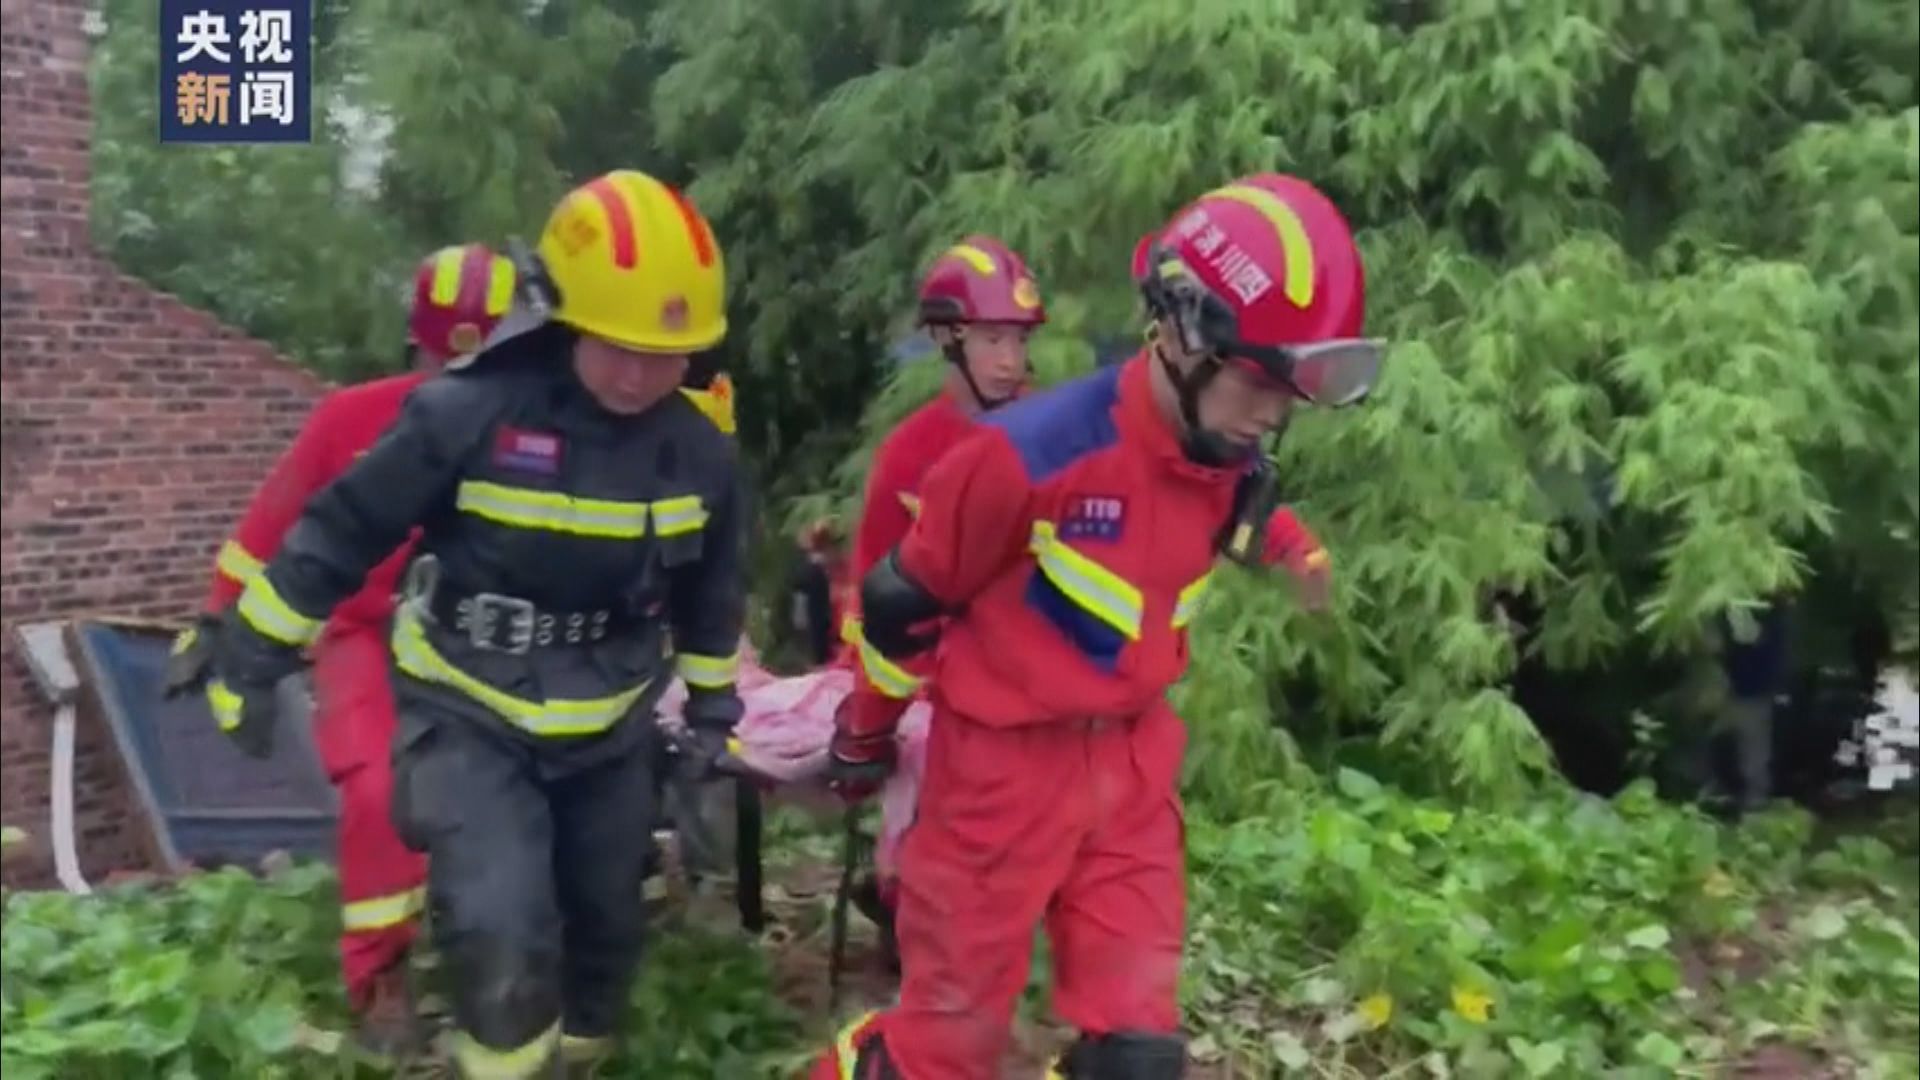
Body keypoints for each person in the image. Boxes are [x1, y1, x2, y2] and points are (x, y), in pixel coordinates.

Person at [813, 173, 1383, 1079]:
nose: (1273, 413)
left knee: (1140, 1060)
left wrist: (1298, 556)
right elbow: (901, 604)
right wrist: (866, 733)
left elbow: (1247, 509)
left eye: (1292, 391)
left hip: (1131, 779)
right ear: (1180, 330)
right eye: (1258, 382)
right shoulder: (1024, 460)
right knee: (944, 1051)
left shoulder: (1226, 454)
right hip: (997, 783)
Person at [205, 169, 747, 1079]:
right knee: (500, 932)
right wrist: (249, 648)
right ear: (561, 314)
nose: (639, 372)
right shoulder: (467, 412)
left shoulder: (700, 452)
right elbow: (341, 530)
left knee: (606, 931)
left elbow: (710, 595)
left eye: (667, 354)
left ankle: (575, 1058)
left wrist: (712, 720)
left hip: (608, 723)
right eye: (616, 345)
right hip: (467, 706)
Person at [161, 242, 516, 1059]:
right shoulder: (350, 421)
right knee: (380, 791)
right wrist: (222, 625)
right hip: (368, 635)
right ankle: (381, 977)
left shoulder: (535, 433)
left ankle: (518, 957)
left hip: (489, 642)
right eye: (438, 360)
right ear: (416, 345)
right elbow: (266, 536)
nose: (450, 384)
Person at [836, 235, 1047, 955]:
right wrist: (861, 689)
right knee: (926, 756)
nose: (1010, 359)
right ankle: (907, 899)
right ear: (944, 339)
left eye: (1018, 340)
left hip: (1032, 678)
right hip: (926, 680)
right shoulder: (909, 452)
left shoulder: (1063, 437)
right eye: (992, 338)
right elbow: (870, 586)